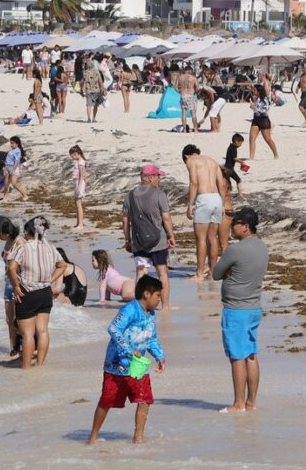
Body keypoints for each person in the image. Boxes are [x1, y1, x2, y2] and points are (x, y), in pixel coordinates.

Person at [87, 275, 166, 445]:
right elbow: (113, 329)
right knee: (107, 401)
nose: (160, 299)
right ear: (146, 294)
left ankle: (138, 437)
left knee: (145, 400)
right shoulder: (130, 309)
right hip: (117, 365)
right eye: (158, 295)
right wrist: (130, 351)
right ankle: (93, 436)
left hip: (138, 367)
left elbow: (151, 339)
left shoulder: (151, 315)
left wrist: (159, 355)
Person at [212, 207, 267, 414]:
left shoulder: (236, 250)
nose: (231, 226)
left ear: (245, 226)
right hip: (254, 307)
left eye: (234, 223)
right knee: (251, 354)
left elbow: (217, 273)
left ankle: (238, 403)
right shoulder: (262, 246)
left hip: (236, 309)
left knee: (237, 356)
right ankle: (251, 402)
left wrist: (228, 272)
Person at [7, 216, 67, 368]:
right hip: (45, 292)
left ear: (28, 232)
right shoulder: (50, 247)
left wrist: (15, 287)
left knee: (27, 334)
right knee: (43, 331)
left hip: (28, 292)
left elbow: (11, 268)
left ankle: (26, 368)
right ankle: (39, 365)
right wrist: (50, 279)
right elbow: (62, 265)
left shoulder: (24, 247)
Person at [122, 165, 176, 310]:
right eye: (158, 176)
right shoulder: (159, 194)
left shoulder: (130, 195)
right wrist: (171, 236)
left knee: (141, 272)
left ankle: (140, 306)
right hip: (158, 240)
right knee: (162, 273)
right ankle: (165, 306)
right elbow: (166, 218)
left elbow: (125, 220)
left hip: (138, 241)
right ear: (151, 177)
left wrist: (127, 240)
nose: (159, 179)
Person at [183, 144, 227, 283]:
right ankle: (212, 272)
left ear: (186, 156)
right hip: (217, 199)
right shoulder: (212, 161)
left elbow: (194, 183)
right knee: (212, 238)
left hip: (204, 198)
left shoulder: (191, 161)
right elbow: (222, 183)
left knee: (200, 239)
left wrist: (190, 204)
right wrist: (223, 203)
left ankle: (199, 274)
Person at [0, 216, 26, 356]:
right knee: (9, 319)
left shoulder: (20, 242)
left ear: (4, 231)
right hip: (8, 283)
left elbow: (25, 264)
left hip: (18, 283)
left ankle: (23, 347)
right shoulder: (8, 241)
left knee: (19, 319)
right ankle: (13, 348)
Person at [248, 79, 279, 160]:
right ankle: (251, 158)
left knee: (268, 140)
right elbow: (256, 109)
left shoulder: (265, 99)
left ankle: (276, 154)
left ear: (259, 91)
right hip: (256, 120)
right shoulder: (256, 98)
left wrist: (253, 107)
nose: (253, 91)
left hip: (264, 120)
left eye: (254, 90)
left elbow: (264, 110)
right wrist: (254, 106)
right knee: (251, 138)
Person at [1, 136, 28, 201]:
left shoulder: (18, 151)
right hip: (8, 167)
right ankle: (5, 198)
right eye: (10, 143)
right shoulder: (13, 150)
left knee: (13, 183)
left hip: (14, 168)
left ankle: (25, 195)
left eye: (12, 143)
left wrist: (13, 169)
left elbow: (17, 161)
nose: (11, 145)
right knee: (6, 183)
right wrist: (5, 167)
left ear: (17, 143)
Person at [176, 66, 200, 133]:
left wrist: (180, 92)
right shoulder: (193, 78)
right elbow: (198, 88)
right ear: (190, 70)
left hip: (183, 95)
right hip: (190, 95)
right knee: (193, 114)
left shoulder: (180, 77)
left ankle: (184, 130)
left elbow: (175, 87)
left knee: (184, 113)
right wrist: (194, 92)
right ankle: (195, 129)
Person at [82, 58, 106, 123]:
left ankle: (89, 118)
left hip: (88, 90)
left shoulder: (85, 72)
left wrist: (83, 89)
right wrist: (103, 89)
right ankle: (94, 118)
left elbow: (85, 82)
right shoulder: (97, 72)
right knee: (96, 105)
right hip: (96, 90)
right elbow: (100, 82)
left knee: (88, 105)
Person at [224, 133, 246, 199]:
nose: (241, 145)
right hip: (229, 169)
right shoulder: (233, 148)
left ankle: (226, 194)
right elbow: (234, 158)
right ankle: (240, 194)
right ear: (236, 142)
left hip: (226, 168)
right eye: (240, 143)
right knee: (238, 180)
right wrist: (241, 162)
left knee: (227, 182)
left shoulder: (230, 146)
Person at [70, 145, 87, 230]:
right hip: (77, 183)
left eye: (72, 155)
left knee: (78, 204)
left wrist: (79, 187)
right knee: (77, 203)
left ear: (76, 154)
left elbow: (82, 175)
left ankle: (80, 225)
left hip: (79, 184)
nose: (71, 157)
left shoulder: (81, 162)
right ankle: (78, 223)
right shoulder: (79, 162)